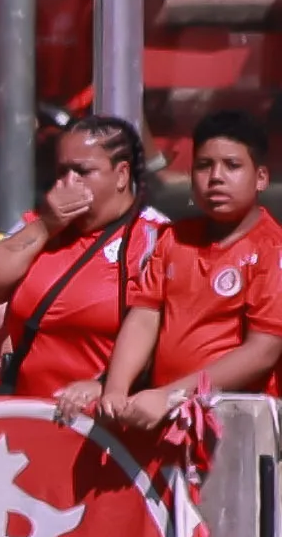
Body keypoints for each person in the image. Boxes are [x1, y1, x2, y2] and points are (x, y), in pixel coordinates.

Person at [98, 112, 282, 429]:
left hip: (236, 425)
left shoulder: (273, 249)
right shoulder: (173, 237)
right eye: (204, 165)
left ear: (261, 178)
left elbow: (262, 351)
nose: (216, 177)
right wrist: (115, 390)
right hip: (163, 419)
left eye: (232, 166)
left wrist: (170, 395)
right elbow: (144, 316)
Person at [0, 118, 171, 400]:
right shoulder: (41, 222)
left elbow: (168, 341)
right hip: (26, 415)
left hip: (102, 422)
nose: (67, 183)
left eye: (82, 171)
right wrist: (45, 226)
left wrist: (108, 385)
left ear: (122, 175)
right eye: (62, 171)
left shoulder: (156, 238)